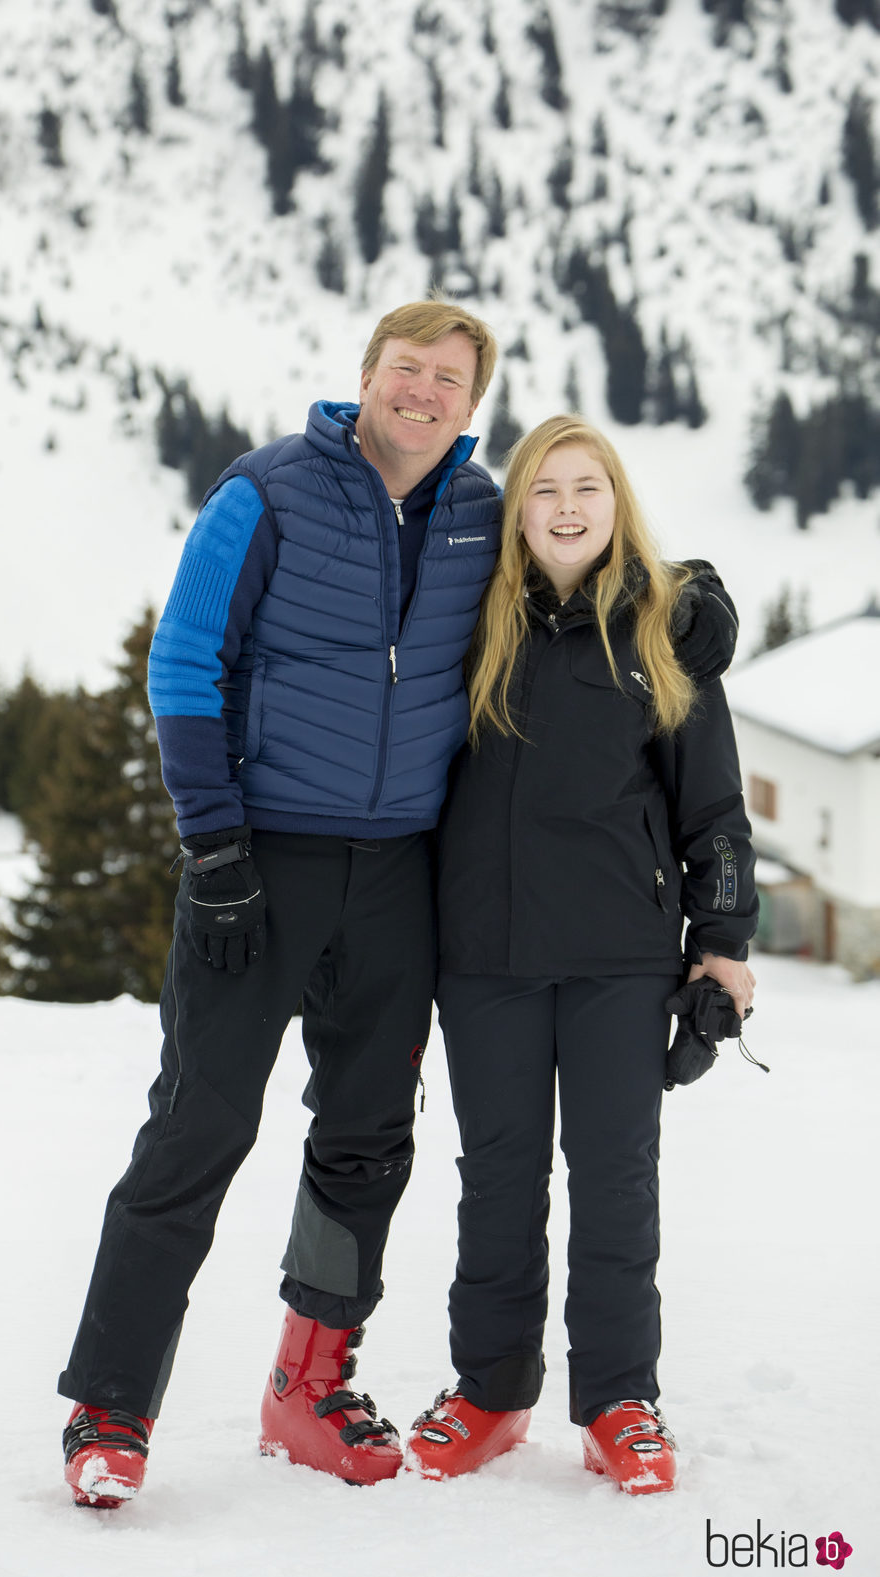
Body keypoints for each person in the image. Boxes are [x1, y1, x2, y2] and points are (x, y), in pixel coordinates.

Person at [58, 299, 504, 1505]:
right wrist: (213, 850)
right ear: (364, 377)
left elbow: (582, 582)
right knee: (199, 1122)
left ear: (473, 403)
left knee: (366, 1135)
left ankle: (308, 1383)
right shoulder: (265, 491)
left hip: (399, 870)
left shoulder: (482, 514)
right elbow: (183, 660)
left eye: (449, 378)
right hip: (261, 858)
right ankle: (110, 1405)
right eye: (405, 368)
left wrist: (679, 602)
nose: (423, 391)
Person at [405, 415, 758, 1494]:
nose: (564, 506)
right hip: (485, 953)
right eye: (543, 488)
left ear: (617, 506)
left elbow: (713, 807)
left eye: (586, 488)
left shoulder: (663, 629)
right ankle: (490, 1390)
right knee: (496, 1179)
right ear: (516, 508)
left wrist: (723, 946)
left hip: (618, 954)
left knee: (614, 1179)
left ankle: (618, 1400)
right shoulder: (467, 624)